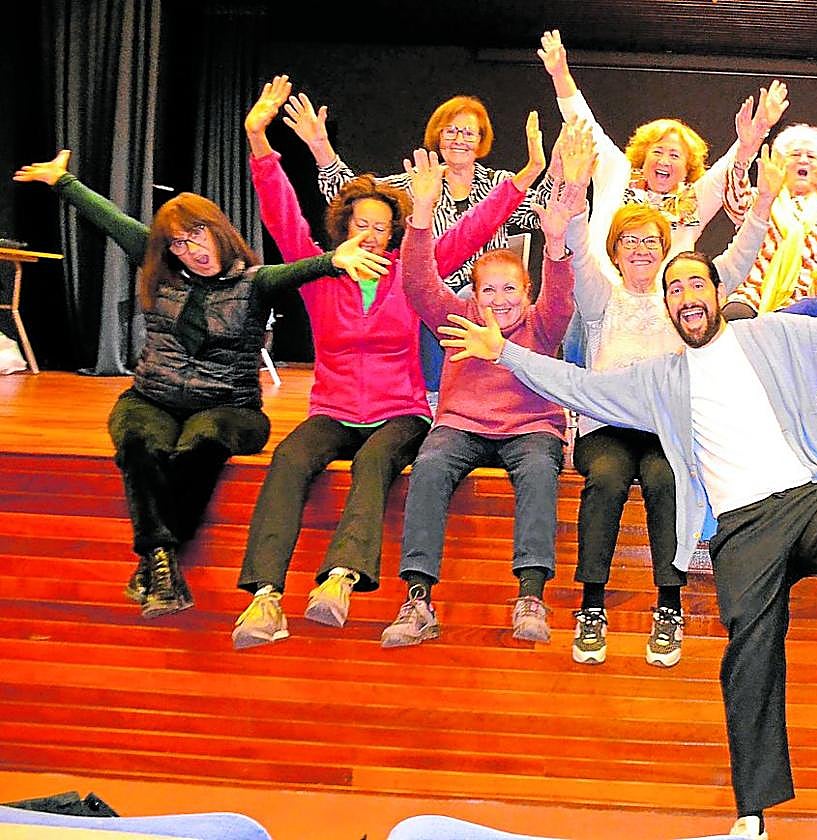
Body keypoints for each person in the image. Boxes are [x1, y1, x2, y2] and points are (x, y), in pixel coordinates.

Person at [438, 245, 817, 840]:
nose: (687, 298)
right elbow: (578, 386)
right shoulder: (659, 379)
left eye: (696, 285)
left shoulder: (779, 337)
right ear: (669, 307)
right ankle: (751, 817)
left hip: (810, 493)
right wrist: (507, 353)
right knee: (748, 657)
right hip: (742, 527)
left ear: (717, 293)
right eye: (674, 291)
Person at [12, 149, 388, 619]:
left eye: (197, 235)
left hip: (229, 408)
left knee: (198, 445)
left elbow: (298, 270)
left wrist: (335, 259)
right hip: (153, 397)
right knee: (139, 442)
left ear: (218, 230)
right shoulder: (161, 269)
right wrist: (62, 181)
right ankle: (159, 560)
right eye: (179, 243)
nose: (191, 249)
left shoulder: (254, 281)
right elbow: (109, 218)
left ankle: (156, 561)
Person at [231, 77, 540, 648]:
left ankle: (340, 581)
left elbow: (471, 231)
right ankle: (264, 597)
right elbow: (281, 214)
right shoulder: (320, 273)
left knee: (375, 463)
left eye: (381, 226)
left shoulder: (410, 273)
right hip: (334, 409)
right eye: (360, 226)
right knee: (290, 459)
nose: (371, 235)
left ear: (395, 232)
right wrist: (258, 138)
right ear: (344, 229)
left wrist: (521, 178)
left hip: (399, 413)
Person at [563, 140, 784, 667]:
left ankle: (668, 605)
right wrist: (573, 187)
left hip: (665, 428)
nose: (640, 249)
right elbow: (573, 242)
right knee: (609, 479)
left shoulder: (680, 299)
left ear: (665, 251)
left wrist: (763, 204)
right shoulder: (600, 295)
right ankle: (592, 606)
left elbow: (735, 262)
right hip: (607, 428)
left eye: (651, 241)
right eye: (629, 241)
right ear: (614, 251)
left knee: (668, 480)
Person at [380, 127, 593, 648]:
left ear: (526, 291)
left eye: (510, 290)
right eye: (488, 290)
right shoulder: (456, 317)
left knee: (543, 472)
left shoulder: (543, 322)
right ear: (473, 295)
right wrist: (421, 216)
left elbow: (561, 291)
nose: (499, 301)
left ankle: (531, 596)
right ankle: (417, 600)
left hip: (530, 429)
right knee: (428, 467)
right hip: (461, 425)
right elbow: (417, 281)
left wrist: (558, 241)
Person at [283, 88, 553, 394]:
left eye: (468, 132)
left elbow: (542, 213)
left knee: (464, 295)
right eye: (451, 131)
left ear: (481, 141)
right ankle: (433, 400)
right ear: (438, 136)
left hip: (485, 296)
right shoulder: (417, 181)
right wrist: (321, 147)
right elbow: (352, 196)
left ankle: (460, 398)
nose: (459, 139)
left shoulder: (499, 183)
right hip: (427, 291)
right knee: (421, 300)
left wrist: (550, 168)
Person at [538, 29, 788, 261]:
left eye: (675, 155)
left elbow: (730, 166)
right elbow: (584, 124)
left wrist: (757, 133)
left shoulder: (695, 200)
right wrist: (561, 75)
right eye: (657, 151)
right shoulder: (617, 174)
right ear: (643, 158)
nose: (664, 161)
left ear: (688, 167)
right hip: (600, 295)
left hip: (664, 302)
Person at [721, 122, 817, 320]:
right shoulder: (762, 198)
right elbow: (733, 199)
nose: (803, 160)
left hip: (807, 299)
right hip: (753, 294)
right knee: (729, 326)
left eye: (811, 156)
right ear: (780, 163)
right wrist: (743, 156)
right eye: (795, 154)